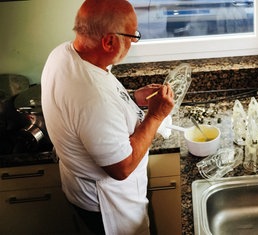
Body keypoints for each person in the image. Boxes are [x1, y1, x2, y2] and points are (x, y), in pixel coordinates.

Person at [41, 0, 174, 234]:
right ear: (109, 41)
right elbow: (122, 168)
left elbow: (100, 102)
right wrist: (155, 116)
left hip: (80, 187)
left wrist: (132, 98)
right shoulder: (91, 97)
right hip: (107, 204)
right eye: (133, 36)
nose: (134, 41)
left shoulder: (64, 53)